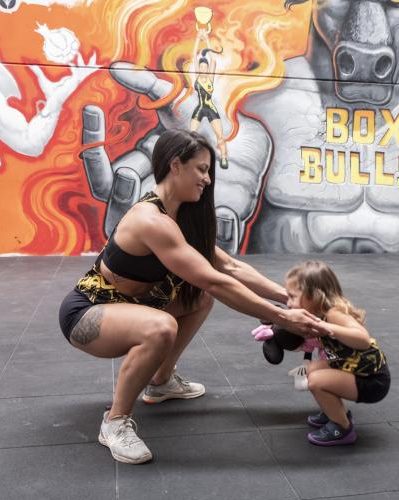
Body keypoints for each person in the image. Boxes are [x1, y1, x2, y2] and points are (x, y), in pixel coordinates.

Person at [58, 129, 329, 464]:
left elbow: (228, 266)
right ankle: (114, 423)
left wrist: (289, 299)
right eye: (201, 168)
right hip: (87, 315)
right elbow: (216, 281)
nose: (207, 178)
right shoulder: (150, 220)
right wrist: (284, 318)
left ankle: (160, 382)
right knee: (161, 327)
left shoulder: (177, 219)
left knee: (198, 299)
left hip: (129, 307)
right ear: (175, 165)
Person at [283, 260, 390, 446]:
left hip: (371, 379)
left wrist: (326, 326)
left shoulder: (333, 314)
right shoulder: (320, 313)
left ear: (313, 296)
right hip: (352, 365)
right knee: (308, 371)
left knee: (315, 382)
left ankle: (342, 427)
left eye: (292, 297)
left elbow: (363, 339)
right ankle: (333, 410)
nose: (288, 303)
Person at [189, 29, 228, 169]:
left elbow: (212, 59)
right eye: (202, 67)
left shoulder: (210, 78)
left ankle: (224, 157)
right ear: (199, 69)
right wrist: (197, 39)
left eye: (205, 67)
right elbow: (193, 56)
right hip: (200, 108)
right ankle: (189, 158)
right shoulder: (198, 77)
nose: (204, 69)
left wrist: (206, 39)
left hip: (210, 109)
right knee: (191, 135)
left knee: (220, 136)